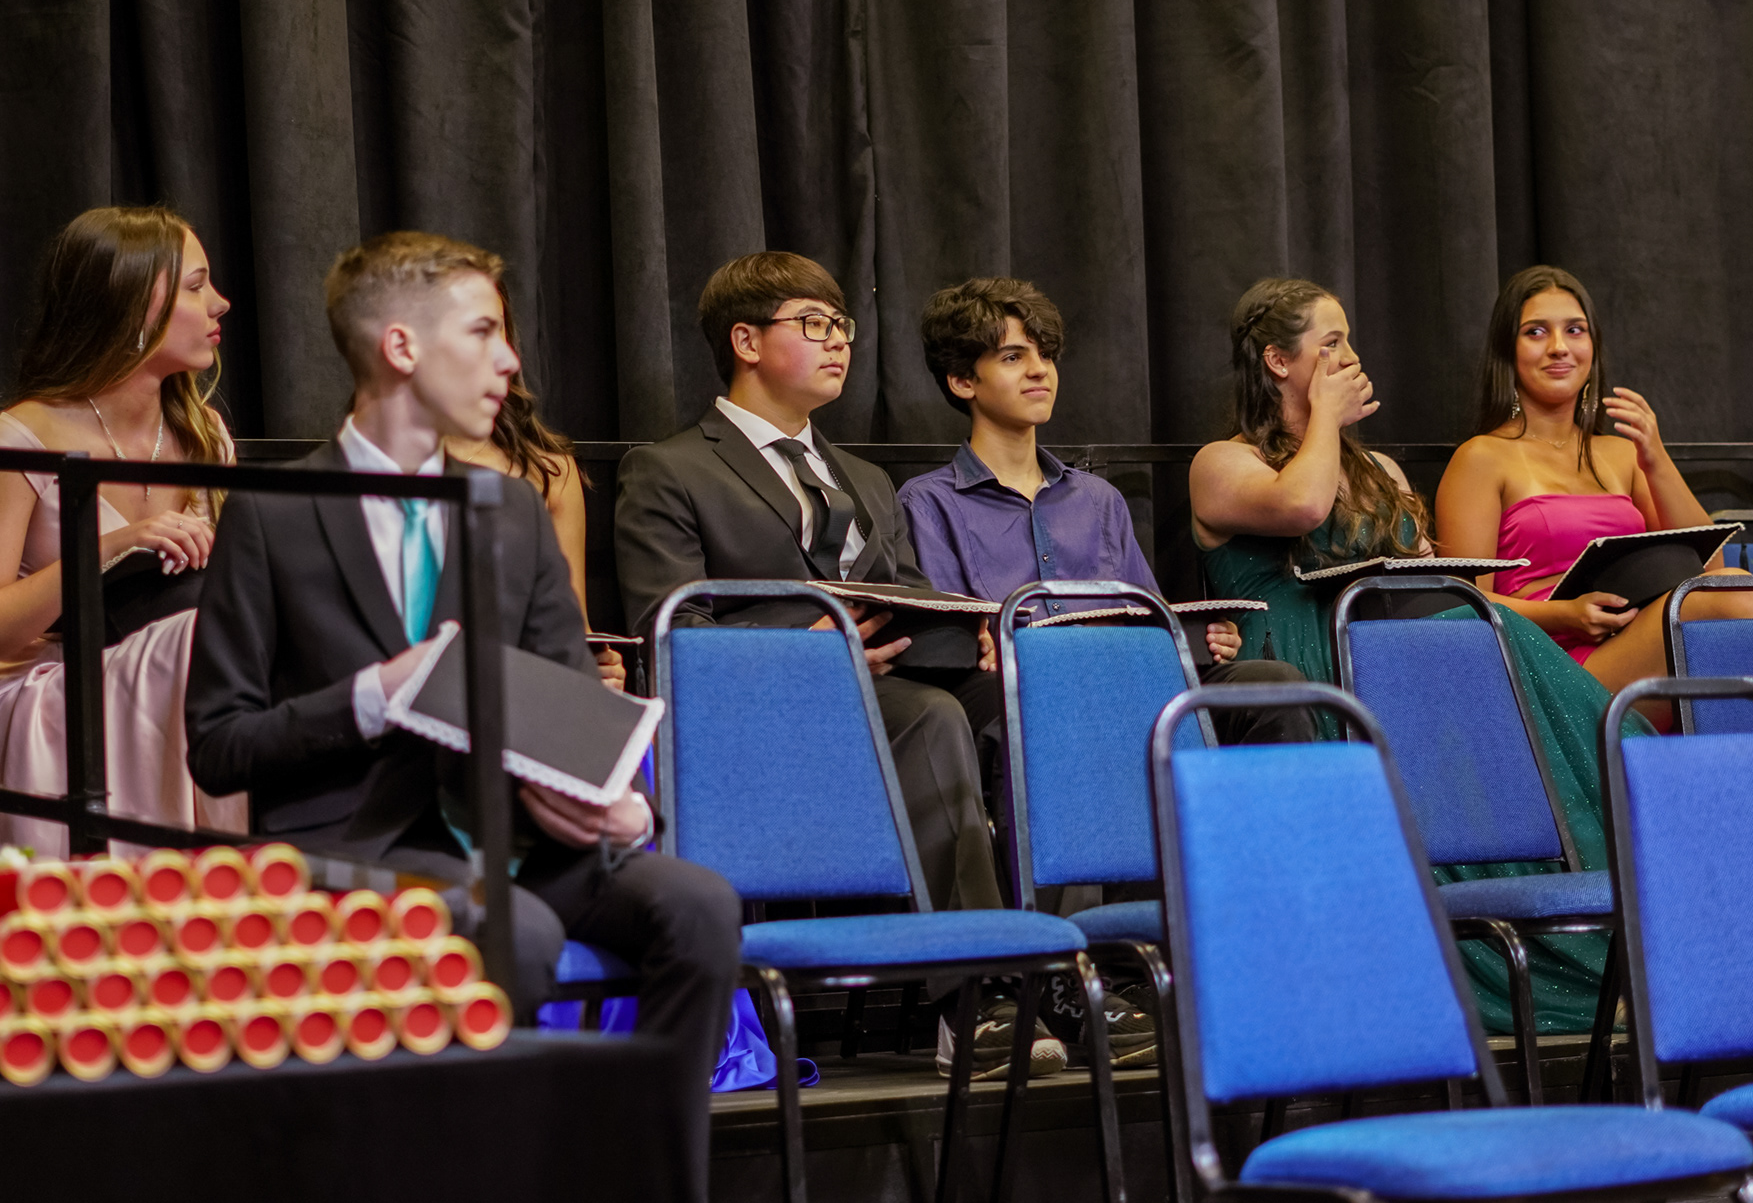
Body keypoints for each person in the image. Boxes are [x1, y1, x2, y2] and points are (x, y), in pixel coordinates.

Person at [183, 232, 739, 1203]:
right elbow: (219, 744)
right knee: (512, 926)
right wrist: (372, 693)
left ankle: (651, 1196)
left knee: (697, 904)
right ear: (401, 346)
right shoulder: (274, 510)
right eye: (483, 332)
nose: (510, 359)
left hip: (513, 835)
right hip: (353, 844)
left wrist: (620, 803)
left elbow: (568, 691)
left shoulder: (509, 511)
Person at [613, 251, 1062, 1081]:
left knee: (1029, 694)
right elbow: (671, 632)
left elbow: (910, 595)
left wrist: (968, 633)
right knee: (931, 718)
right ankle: (976, 998)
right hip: (765, 708)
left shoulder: (864, 479)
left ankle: (1063, 972)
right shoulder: (669, 468)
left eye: (842, 326)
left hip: (886, 681)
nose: (838, 343)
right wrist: (812, 650)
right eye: (814, 324)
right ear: (746, 341)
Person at [1190, 276, 1636, 1035]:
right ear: (1277, 361)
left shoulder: (1382, 473)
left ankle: (1625, 889)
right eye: (1331, 344)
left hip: (1400, 659)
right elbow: (1303, 505)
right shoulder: (1222, 463)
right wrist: (1323, 417)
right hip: (1304, 669)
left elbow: (1424, 570)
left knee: (1489, 636)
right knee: (1481, 647)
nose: (1350, 358)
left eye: (1349, 342)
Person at [0, 206, 243, 855]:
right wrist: (111, 546)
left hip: (167, 685)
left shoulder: (206, 435)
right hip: (45, 691)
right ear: (131, 308)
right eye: (196, 286)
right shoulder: (28, 434)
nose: (220, 303)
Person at [899, 276, 1316, 749]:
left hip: (1121, 676)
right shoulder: (928, 503)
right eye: (1013, 357)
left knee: (1273, 685)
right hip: (1022, 687)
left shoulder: (1099, 500)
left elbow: (1150, 620)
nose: (1039, 371)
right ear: (963, 381)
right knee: (1015, 703)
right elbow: (949, 642)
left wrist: (1201, 638)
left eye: (1046, 355)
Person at [1434, 264, 1753, 728]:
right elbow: (1462, 602)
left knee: (1737, 601)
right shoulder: (1481, 458)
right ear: (1507, 350)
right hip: (1550, 663)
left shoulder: (1622, 454)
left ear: (1593, 346)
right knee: (1734, 598)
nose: (1559, 347)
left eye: (1575, 330)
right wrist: (1563, 615)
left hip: (1638, 640)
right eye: (1536, 332)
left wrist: (1656, 460)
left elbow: (1710, 567)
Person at [443, 282, 625, 688]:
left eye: (498, 330)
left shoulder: (550, 472)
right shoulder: (369, 469)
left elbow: (571, 625)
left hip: (526, 695)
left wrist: (592, 671)